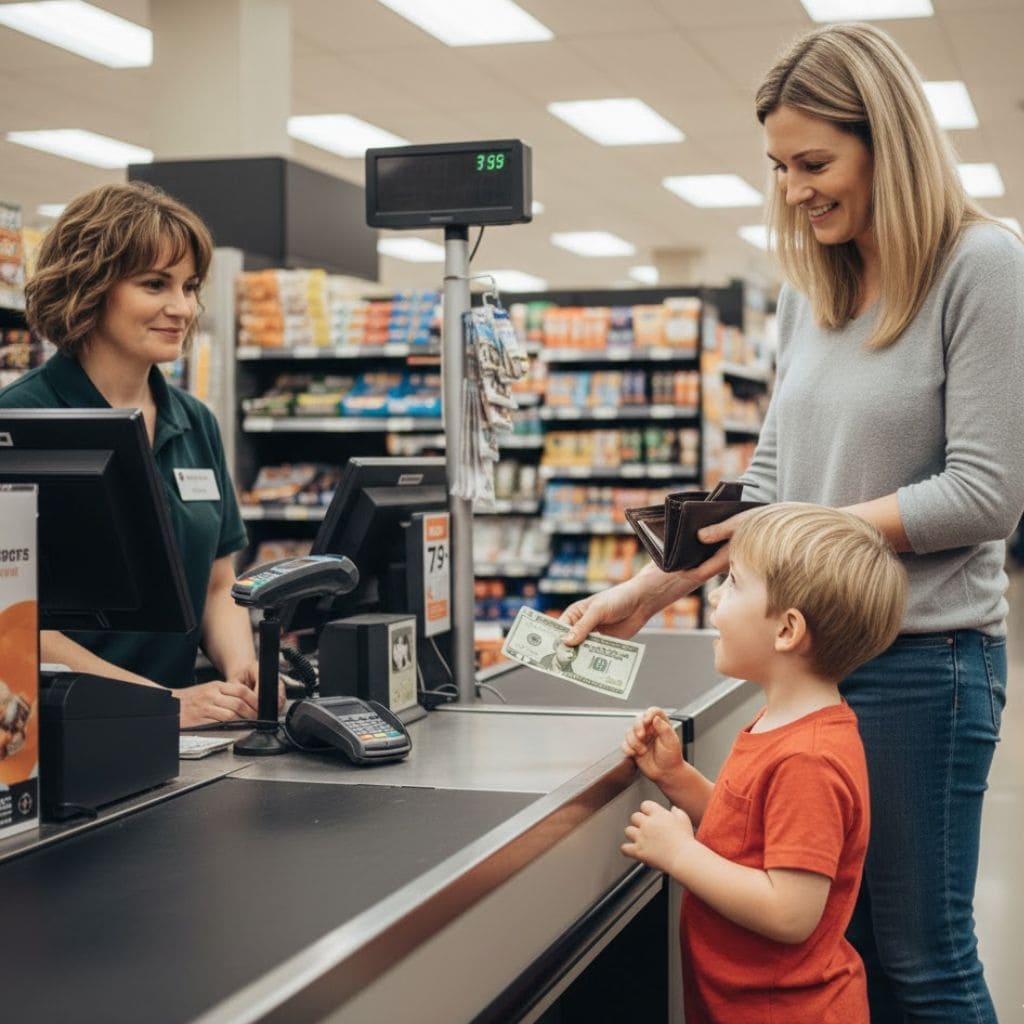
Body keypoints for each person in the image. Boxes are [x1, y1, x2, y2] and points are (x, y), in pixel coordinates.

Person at [565, 21, 1024, 1024]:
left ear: (887, 145)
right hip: (814, 663)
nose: (792, 188)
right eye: (778, 165)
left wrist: (810, 535)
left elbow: (986, 494)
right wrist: (655, 584)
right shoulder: (811, 291)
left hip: (926, 660)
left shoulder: (982, 265)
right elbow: (768, 479)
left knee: (919, 957)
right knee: (833, 952)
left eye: (814, 162)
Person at [622, 503, 906, 1024]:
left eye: (732, 583)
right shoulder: (784, 725)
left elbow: (790, 911)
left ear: (786, 630)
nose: (715, 596)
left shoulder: (809, 760)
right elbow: (750, 836)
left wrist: (681, 855)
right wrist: (677, 778)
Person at [0, 181, 265, 730]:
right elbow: (13, 624)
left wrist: (245, 673)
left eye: (190, 287)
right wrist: (160, 702)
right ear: (89, 286)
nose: (182, 307)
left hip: (177, 737)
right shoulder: (18, 422)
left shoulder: (196, 423)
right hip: (56, 736)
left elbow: (219, 585)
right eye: (155, 284)